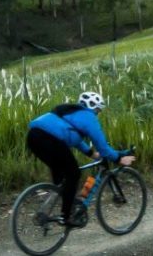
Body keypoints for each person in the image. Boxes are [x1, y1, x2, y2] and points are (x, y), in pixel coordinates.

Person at [25, 91, 135, 226]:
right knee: (74, 173)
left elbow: (74, 137)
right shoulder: (89, 117)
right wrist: (118, 159)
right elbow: (103, 148)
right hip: (50, 140)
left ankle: (50, 209)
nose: (98, 113)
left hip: (33, 137)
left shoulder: (72, 112)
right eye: (98, 110)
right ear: (94, 107)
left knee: (62, 179)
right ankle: (67, 216)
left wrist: (91, 154)